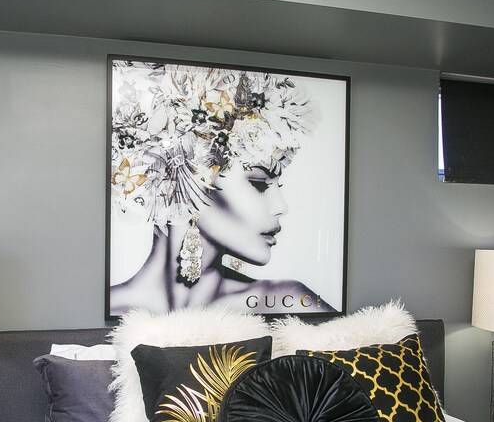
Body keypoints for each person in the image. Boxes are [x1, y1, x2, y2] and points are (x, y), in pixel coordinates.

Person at [109, 60, 335, 316]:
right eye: (259, 184)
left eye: (278, 185)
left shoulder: (288, 302)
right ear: (185, 177)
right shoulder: (112, 309)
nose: (281, 206)